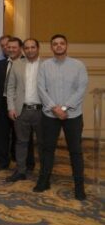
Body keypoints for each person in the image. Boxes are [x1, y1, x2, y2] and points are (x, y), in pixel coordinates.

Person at [36, 34, 88, 200]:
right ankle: (44, 181)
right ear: (51, 47)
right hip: (50, 115)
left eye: (61, 43)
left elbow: (81, 89)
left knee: (75, 151)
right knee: (47, 149)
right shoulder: (45, 66)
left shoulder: (78, 65)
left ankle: (79, 187)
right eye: (55, 44)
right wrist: (54, 108)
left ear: (66, 45)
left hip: (73, 115)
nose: (58, 46)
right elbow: (41, 89)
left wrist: (64, 108)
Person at [6, 38, 42, 183]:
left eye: (33, 47)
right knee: (21, 142)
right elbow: (10, 88)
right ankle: (20, 171)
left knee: (43, 144)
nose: (30, 50)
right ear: (23, 50)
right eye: (27, 48)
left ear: (38, 48)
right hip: (21, 110)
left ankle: (44, 174)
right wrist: (11, 107)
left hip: (41, 111)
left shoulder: (46, 65)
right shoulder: (16, 64)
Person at [0, 37, 22, 170]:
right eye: (8, 47)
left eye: (14, 47)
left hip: (19, 103)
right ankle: (3, 161)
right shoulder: (1, 64)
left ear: (20, 48)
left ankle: (19, 160)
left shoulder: (25, 63)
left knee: (19, 134)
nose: (10, 49)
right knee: (1, 134)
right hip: (2, 103)